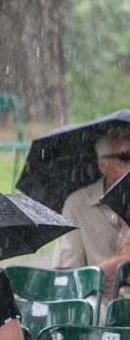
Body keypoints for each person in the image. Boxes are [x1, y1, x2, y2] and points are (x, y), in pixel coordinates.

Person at [53, 126, 130, 303]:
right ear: (102, 165)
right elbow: (67, 284)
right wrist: (121, 260)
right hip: (99, 305)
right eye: (125, 158)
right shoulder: (77, 205)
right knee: (87, 307)